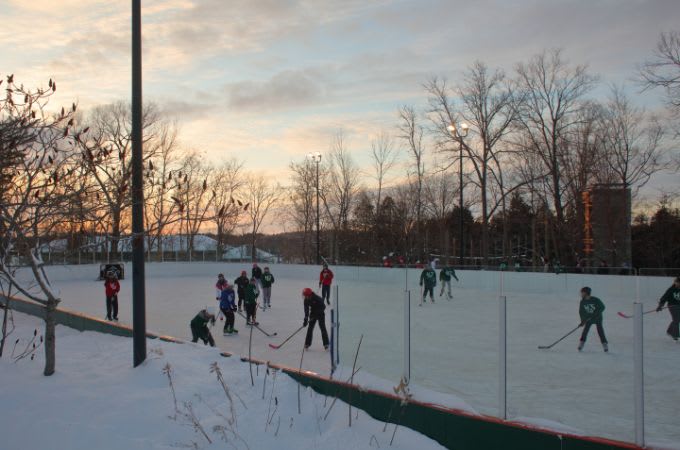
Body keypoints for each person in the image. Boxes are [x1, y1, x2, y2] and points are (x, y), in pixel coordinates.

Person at [578, 287, 608, 352]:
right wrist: (582, 321)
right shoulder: (582, 301)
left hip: (598, 318)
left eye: (582, 292)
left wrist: (594, 314)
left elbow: (602, 307)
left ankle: (604, 343)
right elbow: (581, 312)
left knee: (600, 331)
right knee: (585, 331)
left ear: (586, 293)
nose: (581, 294)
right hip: (589, 319)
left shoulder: (595, 300)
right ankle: (582, 342)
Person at [656, 276, 680, 341]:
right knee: (676, 320)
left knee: (677, 319)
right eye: (677, 282)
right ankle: (675, 335)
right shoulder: (671, 289)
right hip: (672, 306)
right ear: (675, 282)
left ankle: (669, 331)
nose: (678, 284)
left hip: (679, 306)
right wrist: (660, 305)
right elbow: (664, 298)